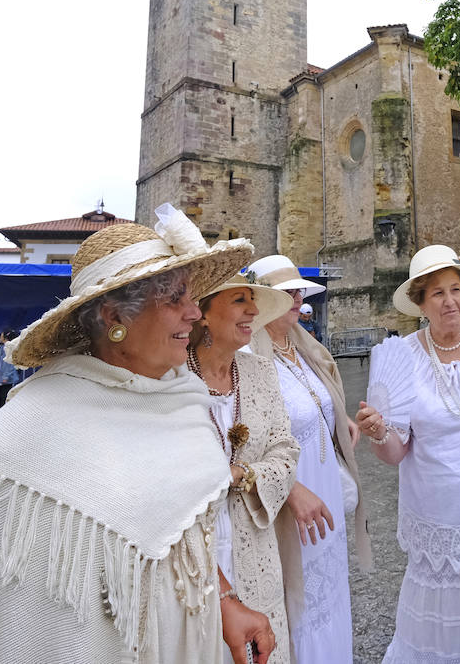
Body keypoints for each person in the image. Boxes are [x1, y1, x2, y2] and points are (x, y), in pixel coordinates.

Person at [0, 205, 278, 664]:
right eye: (175, 299)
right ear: (115, 315)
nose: (194, 314)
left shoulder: (182, 398)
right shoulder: (37, 420)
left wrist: (224, 603)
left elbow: (177, 530)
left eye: (192, 298)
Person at [357, 245, 460, 664]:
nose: (450, 301)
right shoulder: (402, 358)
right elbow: (396, 454)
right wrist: (379, 433)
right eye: (437, 293)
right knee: (448, 637)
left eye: (456, 289)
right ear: (419, 302)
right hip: (441, 519)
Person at [249, 254, 371, 664]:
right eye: (286, 292)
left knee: (331, 583)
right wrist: (287, 488)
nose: (298, 298)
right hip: (292, 491)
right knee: (299, 591)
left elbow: (317, 400)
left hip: (326, 482)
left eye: (298, 290)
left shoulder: (303, 346)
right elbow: (245, 440)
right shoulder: (249, 357)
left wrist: (340, 421)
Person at [188, 271, 300, 664]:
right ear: (203, 313)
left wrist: (244, 474)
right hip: (192, 548)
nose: (253, 310)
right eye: (239, 300)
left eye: (252, 300)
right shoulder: (173, 377)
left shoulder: (261, 371)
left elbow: (285, 450)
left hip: (255, 546)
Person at [0, 329, 21, 410]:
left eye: (2, 335)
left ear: (6, 337)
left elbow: (10, 364)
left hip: (7, 378)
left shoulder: (12, 348)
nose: (0, 337)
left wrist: (6, 377)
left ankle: (4, 414)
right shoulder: (0, 347)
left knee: (4, 397)